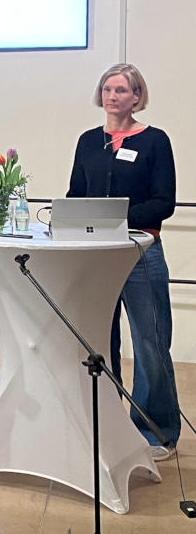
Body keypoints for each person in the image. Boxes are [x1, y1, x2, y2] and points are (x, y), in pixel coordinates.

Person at [67, 63, 180, 461]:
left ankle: (156, 434)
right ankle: (108, 425)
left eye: (121, 90)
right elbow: (76, 194)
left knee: (150, 343)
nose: (112, 96)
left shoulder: (155, 142)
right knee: (101, 340)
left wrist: (115, 217)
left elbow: (163, 204)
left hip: (140, 253)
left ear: (137, 97)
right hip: (95, 254)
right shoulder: (87, 141)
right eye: (107, 89)